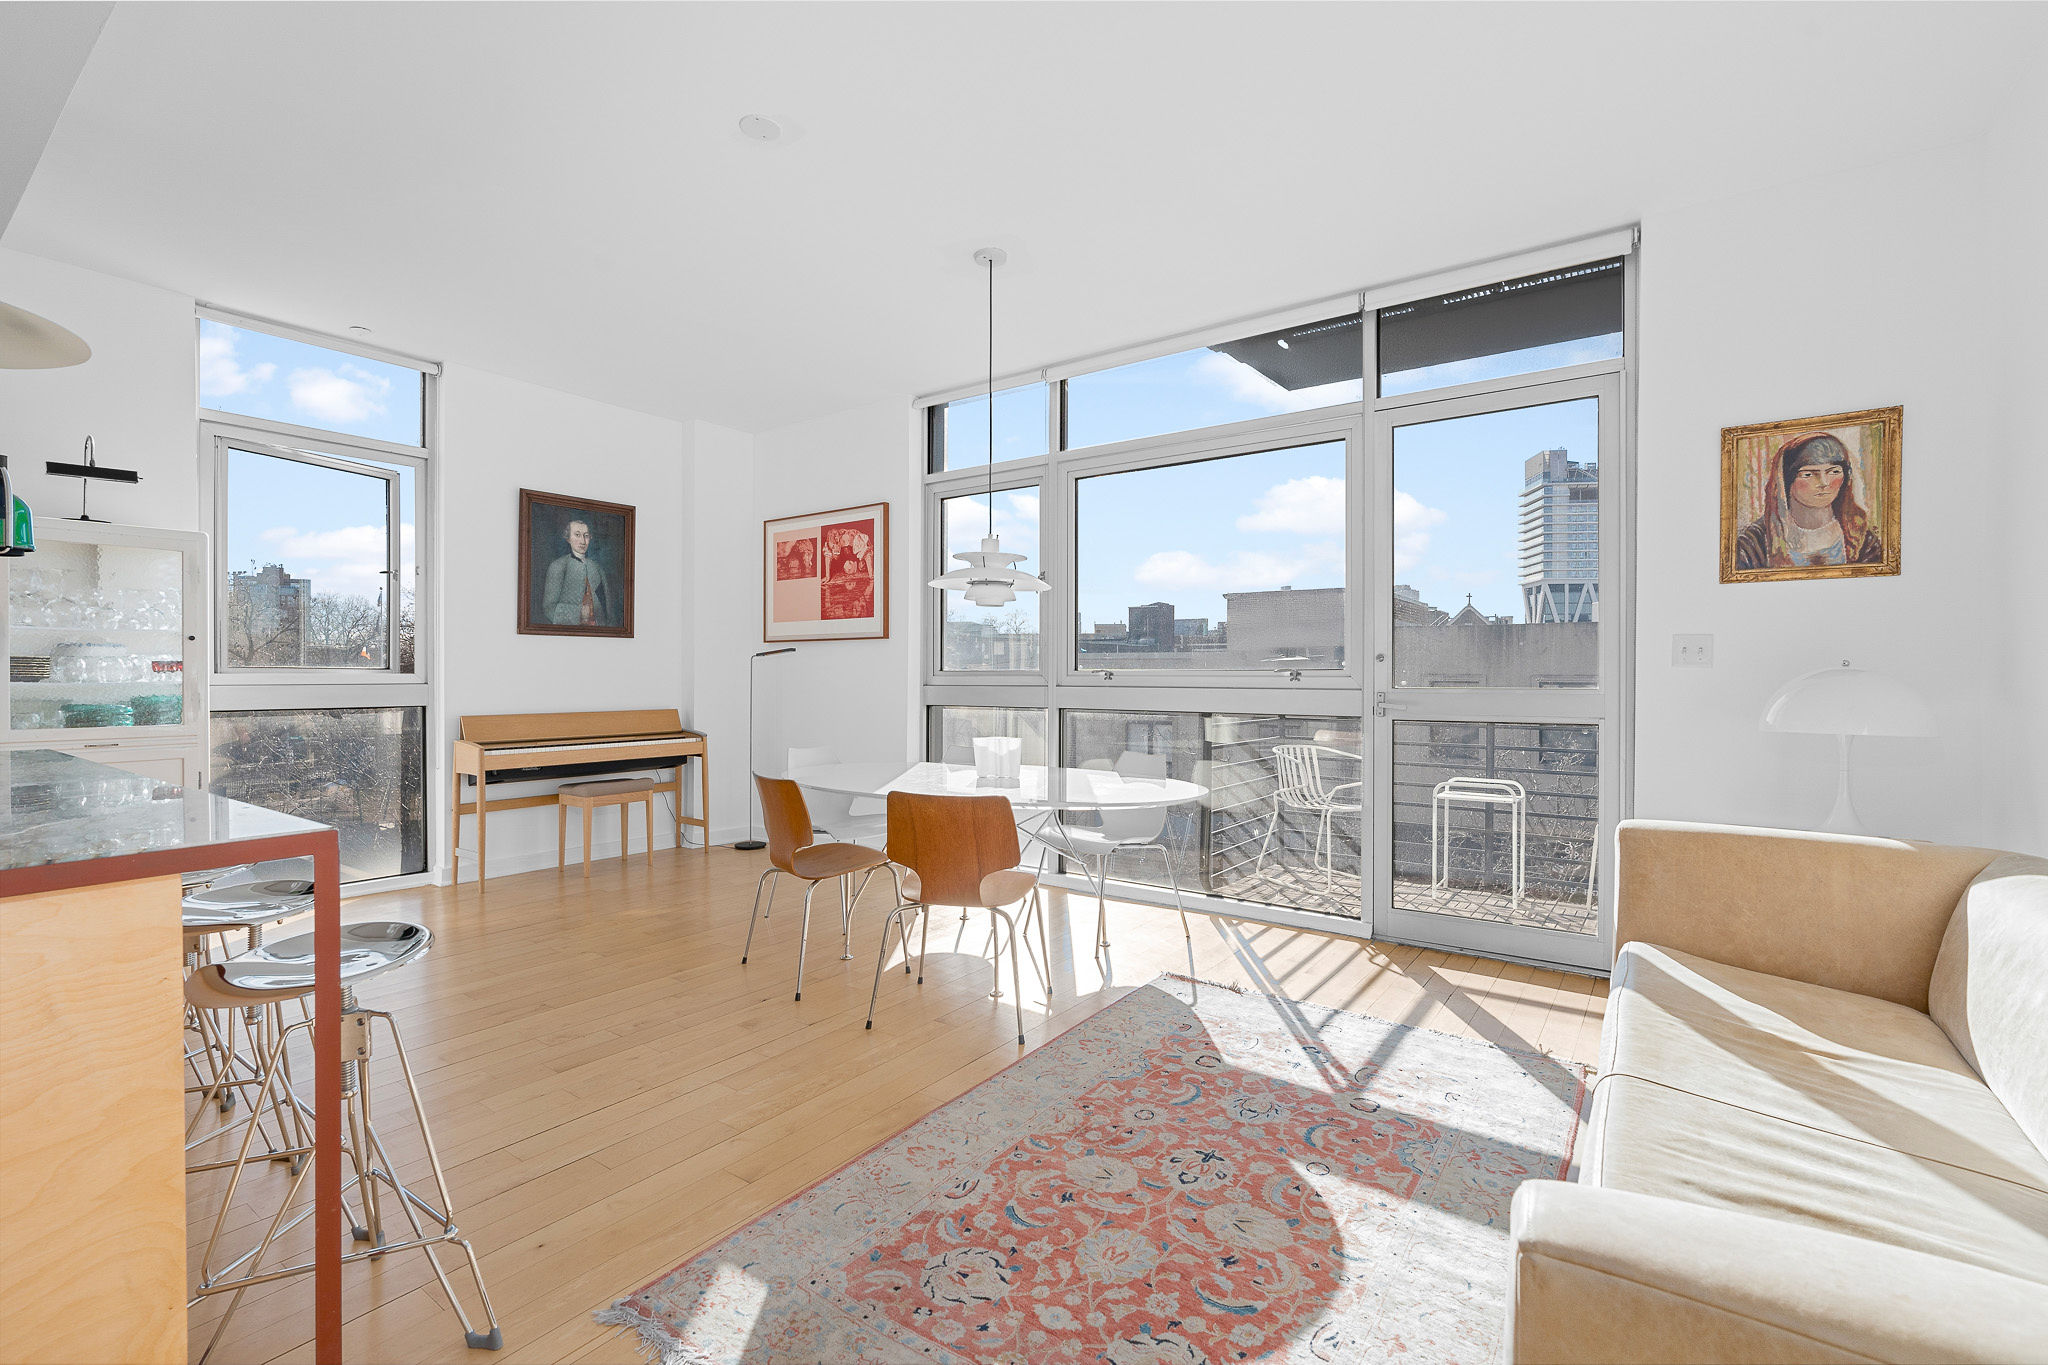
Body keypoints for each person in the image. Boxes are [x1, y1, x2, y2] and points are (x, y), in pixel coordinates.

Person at [1733, 431, 1884, 570]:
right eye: (1809, 474)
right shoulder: (1754, 543)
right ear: (1786, 480)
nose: (1824, 482)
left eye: (1834, 472)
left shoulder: (1861, 538)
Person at [541, 518, 612, 625]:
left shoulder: (597, 568)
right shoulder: (558, 566)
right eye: (577, 535)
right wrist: (578, 612)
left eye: (586, 535)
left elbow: (607, 609)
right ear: (568, 538)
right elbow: (549, 608)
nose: (583, 541)